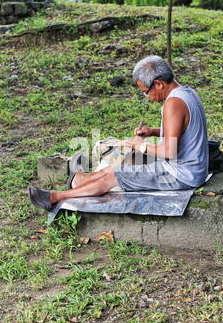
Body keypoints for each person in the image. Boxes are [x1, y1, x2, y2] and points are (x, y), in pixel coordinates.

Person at [29, 55, 209, 211]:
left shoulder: (173, 104)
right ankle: (82, 181)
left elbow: (169, 152)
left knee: (117, 175)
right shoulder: (187, 93)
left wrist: (140, 146)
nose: (147, 97)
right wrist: (152, 131)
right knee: (117, 168)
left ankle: (55, 197)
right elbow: (183, 129)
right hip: (192, 169)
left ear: (158, 84)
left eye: (145, 92)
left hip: (181, 176)